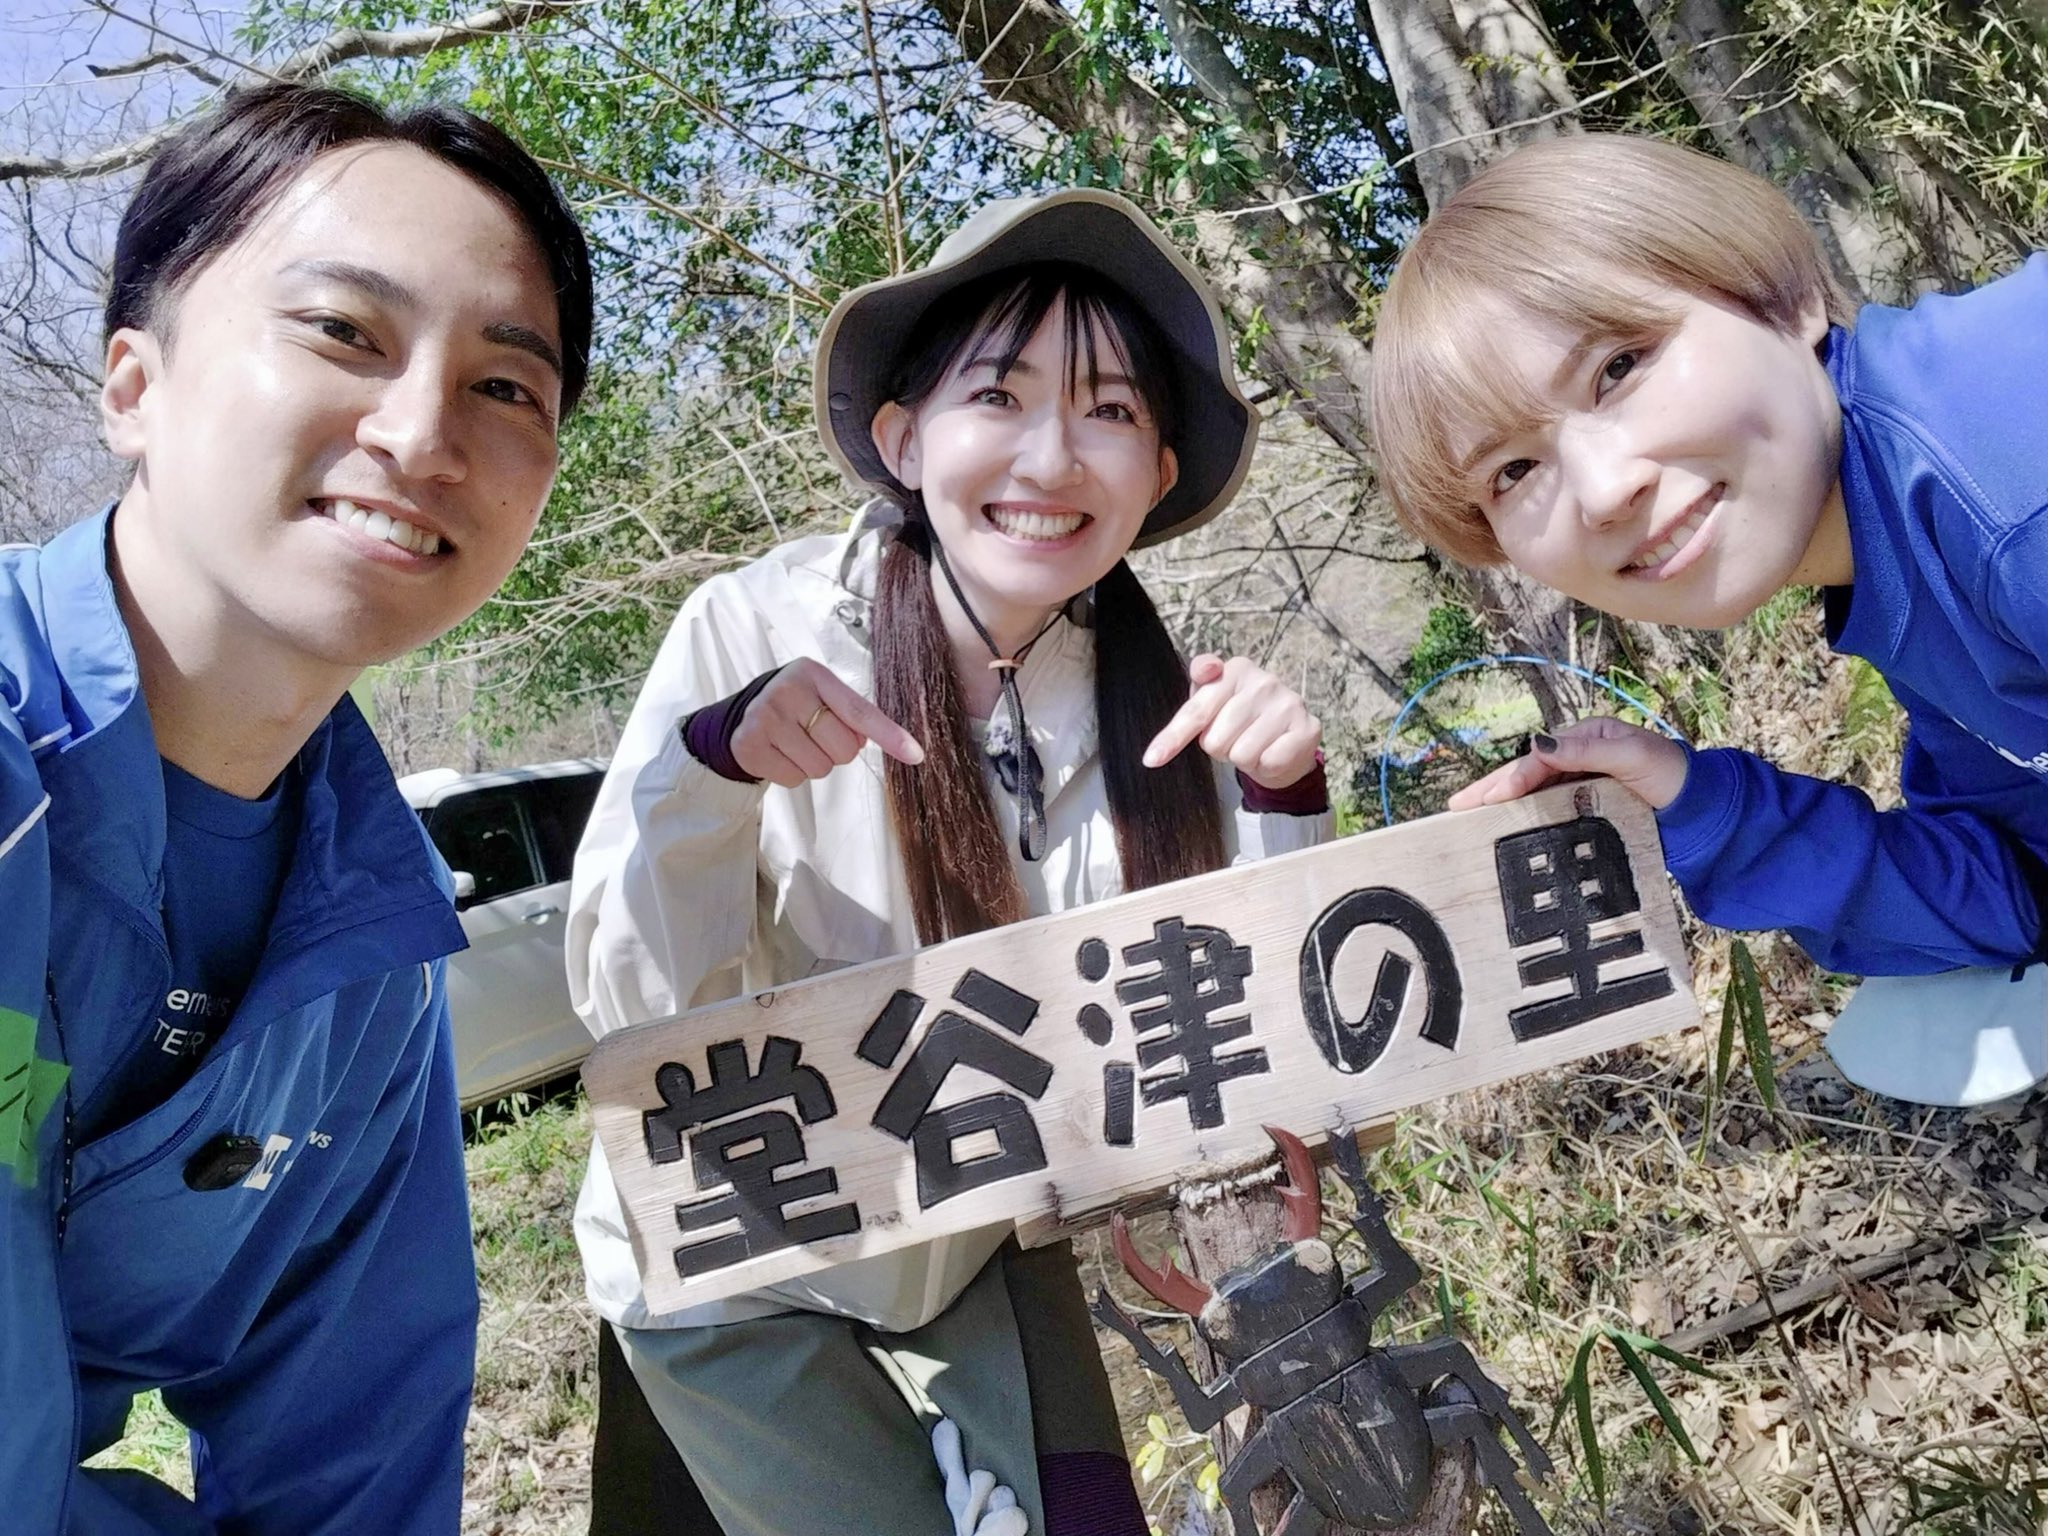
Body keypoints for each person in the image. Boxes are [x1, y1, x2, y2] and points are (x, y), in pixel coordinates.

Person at [567, 188, 1333, 1536]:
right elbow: (633, 1014)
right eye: (999, 396)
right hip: (738, 1264)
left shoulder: (1162, 705)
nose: (1051, 457)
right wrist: (717, 771)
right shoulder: (752, 629)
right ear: (903, 439)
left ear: (1157, 473)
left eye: (1108, 410)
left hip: (977, 1236)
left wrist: (1282, 797)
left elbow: (1260, 1047)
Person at [0, 82, 592, 1532]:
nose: (421, 433)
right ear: (132, 387)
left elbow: (355, 1441)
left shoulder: (367, 953)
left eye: (504, 388)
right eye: (342, 330)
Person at [1368, 133, 2048, 1105]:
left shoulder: (2007, 462)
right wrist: (1699, 807)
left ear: (1786, 298)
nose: (1602, 489)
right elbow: (2020, 887)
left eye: (1618, 367)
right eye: (1512, 471)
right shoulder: (1898, 557)